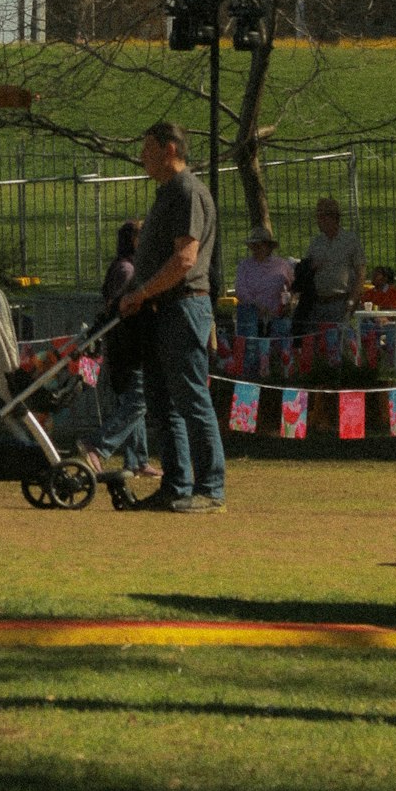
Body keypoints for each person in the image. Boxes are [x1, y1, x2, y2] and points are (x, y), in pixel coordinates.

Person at [119, 121, 226, 513]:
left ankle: (211, 488)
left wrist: (142, 292)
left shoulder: (186, 192)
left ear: (169, 149)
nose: (142, 156)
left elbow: (185, 259)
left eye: (147, 148)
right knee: (163, 402)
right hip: (162, 309)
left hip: (183, 306)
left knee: (192, 399)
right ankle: (177, 485)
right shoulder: (168, 193)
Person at [79, 220, 159, 477]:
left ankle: (137, 460)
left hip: (131, 344)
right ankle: (98, 444)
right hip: (127, 345)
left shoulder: (128, 266)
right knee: (138, 401)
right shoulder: (127, 270)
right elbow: (118, 307)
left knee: (131, 401)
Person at [305, 196, 364, 324]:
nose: (318, 221)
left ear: (331, 218)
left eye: (320, 217)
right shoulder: (316, 243)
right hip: (317, 303)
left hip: (340, 303)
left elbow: (361, 273)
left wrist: (353, 300)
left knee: (338, 341)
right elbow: (305, 272)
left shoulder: (350, 241)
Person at [234, 225, 295, 339]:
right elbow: (240, 290)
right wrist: (256, 305)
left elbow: (290, 288)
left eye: (259, 245)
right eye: (253, 246)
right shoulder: (244, 266)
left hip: (277, 316)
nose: (256, 249)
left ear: (268, 247)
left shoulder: (282, 265)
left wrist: (287, 302)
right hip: (251, 315)